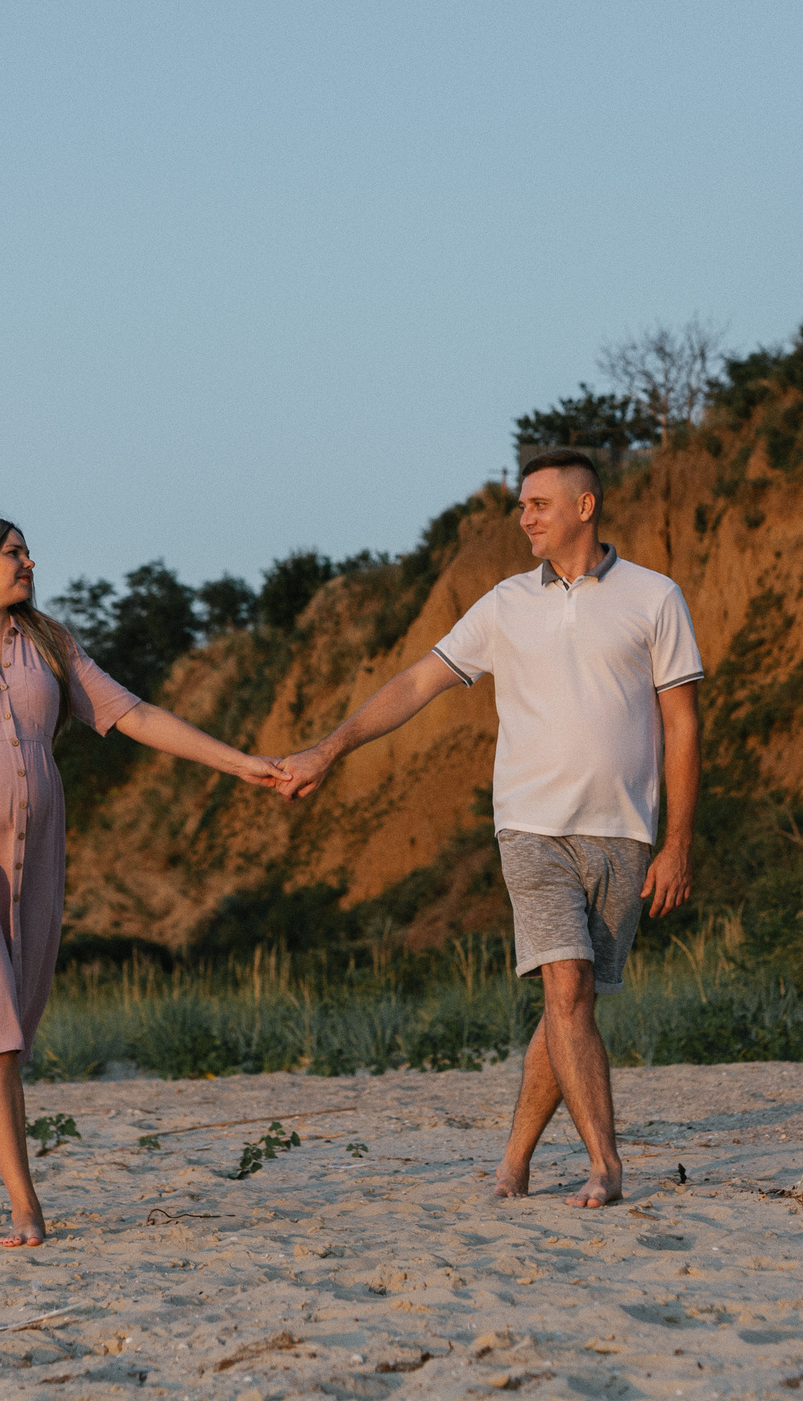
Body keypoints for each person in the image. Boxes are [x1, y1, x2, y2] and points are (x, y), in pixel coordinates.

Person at [275, 448, 703, 1207]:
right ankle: (606, 1161)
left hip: (622, 832)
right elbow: (417, 681)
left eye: (538, 503)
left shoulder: (654, 596)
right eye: (522, 504)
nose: (524, 517)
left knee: (570, 1005)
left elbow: (682, 722)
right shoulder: (505, 602)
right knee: (565, 983)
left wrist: (676, 844)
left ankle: (514, 1161)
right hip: (531, 828)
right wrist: (331, 747)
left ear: (585, 506)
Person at [0, 514, 286, 1245]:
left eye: (26, 550)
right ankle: (26, 1205)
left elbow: (133, 714)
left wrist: (241, 763)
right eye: (13, 552)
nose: (30, 560)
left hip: (30, 861)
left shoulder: (49, 644)